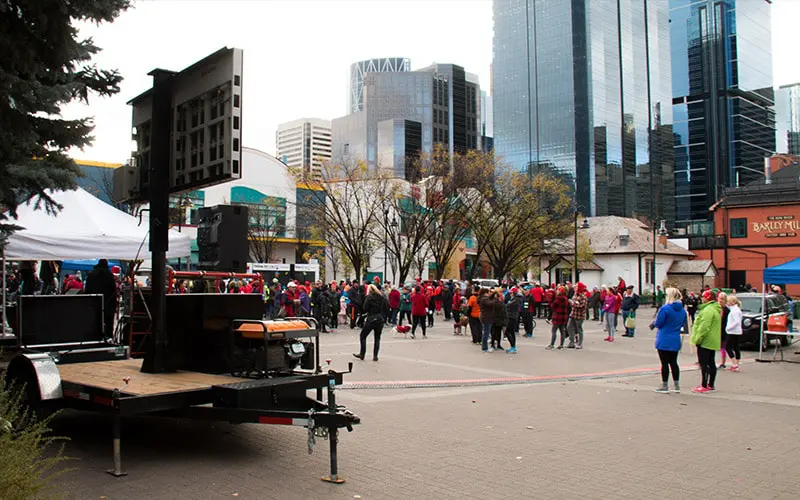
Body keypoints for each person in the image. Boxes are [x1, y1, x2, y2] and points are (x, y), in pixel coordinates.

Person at [650, 287, 686, 394]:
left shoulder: (665, 309)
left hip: (664, 338)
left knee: (664, 363)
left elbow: (659, 323)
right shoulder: (683, 311)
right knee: (674, 362)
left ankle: (665, 385)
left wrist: (653, 324)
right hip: (675, 338)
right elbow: (683, 323)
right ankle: (676, 385)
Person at [690, 290, 722, 393]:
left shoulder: (708, 310)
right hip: (713, 339)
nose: (701, 298)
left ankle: (704, 384)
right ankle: (711, 384)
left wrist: (698, 339)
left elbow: (704, 327)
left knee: (704, 363)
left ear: (707, 298)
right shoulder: (715, 309)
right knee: (711, 362)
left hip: (706, 340)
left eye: (703, 297)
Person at [353, 284, 389, 362]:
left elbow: (365, 308)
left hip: (371, 318)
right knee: (377, 338)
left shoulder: (369, 297)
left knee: (363, 335)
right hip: (380, 319)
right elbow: (387, 307)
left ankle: (362, 354)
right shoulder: (382, 297)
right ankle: (375, 356)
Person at [84, 259, 118, 339]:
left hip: (94, 303)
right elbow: (113, 290)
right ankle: (109, 338)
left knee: (95, 322)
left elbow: (87, 290)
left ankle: (94, 338)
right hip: (108, 304)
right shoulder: (109, 275)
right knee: (108, 323)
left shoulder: (92, 274)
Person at [725, 295, 743, 372]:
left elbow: (737, 321)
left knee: (728, 347)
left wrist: (728, 328)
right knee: (736, 347)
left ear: (732, 302)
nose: (727, 303)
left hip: (733, 331)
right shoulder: (736, 309)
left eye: (728, 301)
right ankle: (736, 364)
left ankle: (734, 363)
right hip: (737, 331)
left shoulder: (735, 311)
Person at [567, 282, 588, 349]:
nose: (575, 287)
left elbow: (582, 306)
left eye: (576, 286)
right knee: (569, 327)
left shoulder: (583, 296)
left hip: (579, 315)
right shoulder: (575, 294)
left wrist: (573, 304)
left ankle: (580, 343)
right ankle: (571, 342)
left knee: (579, 329)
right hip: (573, 314)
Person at [479, 288, 497, 352]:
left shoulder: (483, 298)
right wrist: (495, 299)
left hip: (485, 317)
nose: (490, 293)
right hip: (487, 318)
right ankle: (485, 348)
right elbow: (490, 304)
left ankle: (485, 347)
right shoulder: (484, 299)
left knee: (486, 332)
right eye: (489, 292)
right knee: (486, 333)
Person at [717, 292, 729, 369]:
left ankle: (723, 362)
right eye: (719, 298)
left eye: (722, 299)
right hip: (716, 330)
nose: (720, 300)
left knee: (723, 347)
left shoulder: (727, 310)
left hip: (723, 330)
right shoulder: (716, 308)